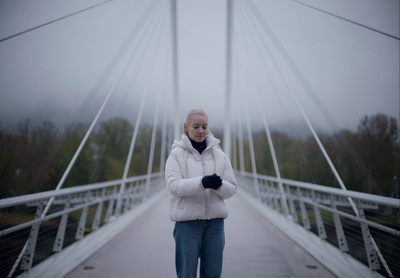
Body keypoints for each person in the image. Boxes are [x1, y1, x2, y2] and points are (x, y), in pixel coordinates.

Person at [165, 108, 237, 278]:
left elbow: (232, 188)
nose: (201, 131)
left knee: (213, 274)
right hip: (187, 225)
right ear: (186, 127)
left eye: (204, 127)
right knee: (186, 274)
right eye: (196, 126)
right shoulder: (176, 155)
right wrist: (201, 183)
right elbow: (173, 186)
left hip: (215, 225)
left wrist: (218, 185)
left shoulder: (220, 155)